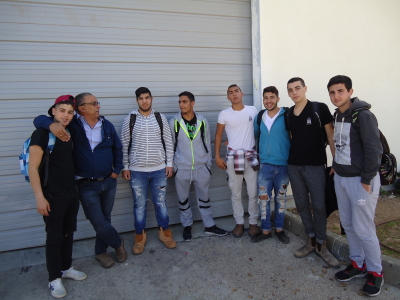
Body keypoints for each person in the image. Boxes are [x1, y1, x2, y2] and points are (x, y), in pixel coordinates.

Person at [33, 93, 127, 269]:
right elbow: (38, 120)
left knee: (105, 218)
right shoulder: (73, 124)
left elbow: (118, 148)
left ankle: (100, 252)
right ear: (82, 108)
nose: (98, 106)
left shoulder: (106, 125)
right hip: (85, 184)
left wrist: (116, 171)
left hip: (108, 181)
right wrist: (51, 125)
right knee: (98, 221)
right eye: (94, 103)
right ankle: (117, 242)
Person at [328, 75, 383, 296]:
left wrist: (367, 179)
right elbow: (342, 145)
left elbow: (373, 150)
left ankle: (376, 272)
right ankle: (358, 264)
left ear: (350, 91)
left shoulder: (364, 115)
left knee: (364, 228)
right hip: (341, 177)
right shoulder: (338, 114)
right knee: (348, 225)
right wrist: (335, 165)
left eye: (340, 91)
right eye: (332, 92)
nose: (336, 96)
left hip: (361, 181)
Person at [29, 95, 87, 298]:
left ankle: (66, 268)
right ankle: (54, 278)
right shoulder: (42, 134)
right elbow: (33, 168)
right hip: (52, 195)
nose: (66, 115)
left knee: (68, 232)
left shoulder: (69, 132)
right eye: (62, 110)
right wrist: (39, 197)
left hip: (71, 191)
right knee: (54, 237)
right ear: (53, 111)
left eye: (70, 112)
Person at [286, 77, 339, 268]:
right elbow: (292, 137)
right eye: (290, 90)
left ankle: (322, 245)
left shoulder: (319, 108)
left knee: (318, 205)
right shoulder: (289, 113)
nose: (294, 93)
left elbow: (331, 135)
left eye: (297, 88)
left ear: (305, 88)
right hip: (294, 166)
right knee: (301, 204)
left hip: (316, 166)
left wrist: (336, 161)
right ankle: (310, 240)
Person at [121, 87, 176, 254]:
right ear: (137, 100)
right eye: (141, 98)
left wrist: (169, 163)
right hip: (137, 171)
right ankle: (139, 237)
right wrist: (125, 166)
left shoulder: (160, 118)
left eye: (147, 97)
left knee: (161, 203)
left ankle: (165, 233)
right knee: (139, 205)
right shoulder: (130, 119)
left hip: (159, 169)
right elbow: (124, 144)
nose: (144, 101)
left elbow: (168, 141)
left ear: (152, 99)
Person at [169, 91, 228, 241]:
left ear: (192, 103)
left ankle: (209, 226)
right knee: (183, 200)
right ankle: (187, 226)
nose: (181, 105)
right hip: (181, 168)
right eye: (180, 102)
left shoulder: (203, 121)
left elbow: (207, 143)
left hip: (202, 168)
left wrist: (208, 165)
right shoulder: (174, 122)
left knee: (204, 199)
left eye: (184, 102)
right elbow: (170, 146)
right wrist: (174, 167)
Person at [215, 84, 259, 238]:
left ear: (242, 93)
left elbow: (259, 131)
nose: (234, 94)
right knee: (236, 193)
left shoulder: (253, 110)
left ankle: (253, 223)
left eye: (236, 91)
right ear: (228, 97)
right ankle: (239, 223)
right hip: (233, 158)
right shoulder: (224, 114)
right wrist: (217, 156)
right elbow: (219, 136)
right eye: (230, 93)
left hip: (251, 156)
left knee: (253, 193)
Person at [252, 86, 291, 244]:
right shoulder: (260, 116)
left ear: (278, 98)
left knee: (281, 200)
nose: (269, 101)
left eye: (272, 97)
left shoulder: (287, 115)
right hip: (264, 166)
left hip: (283, 165)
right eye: (266, 98)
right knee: (263, 199)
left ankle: (280, 230)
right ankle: (266, 230)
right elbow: (254, 136)